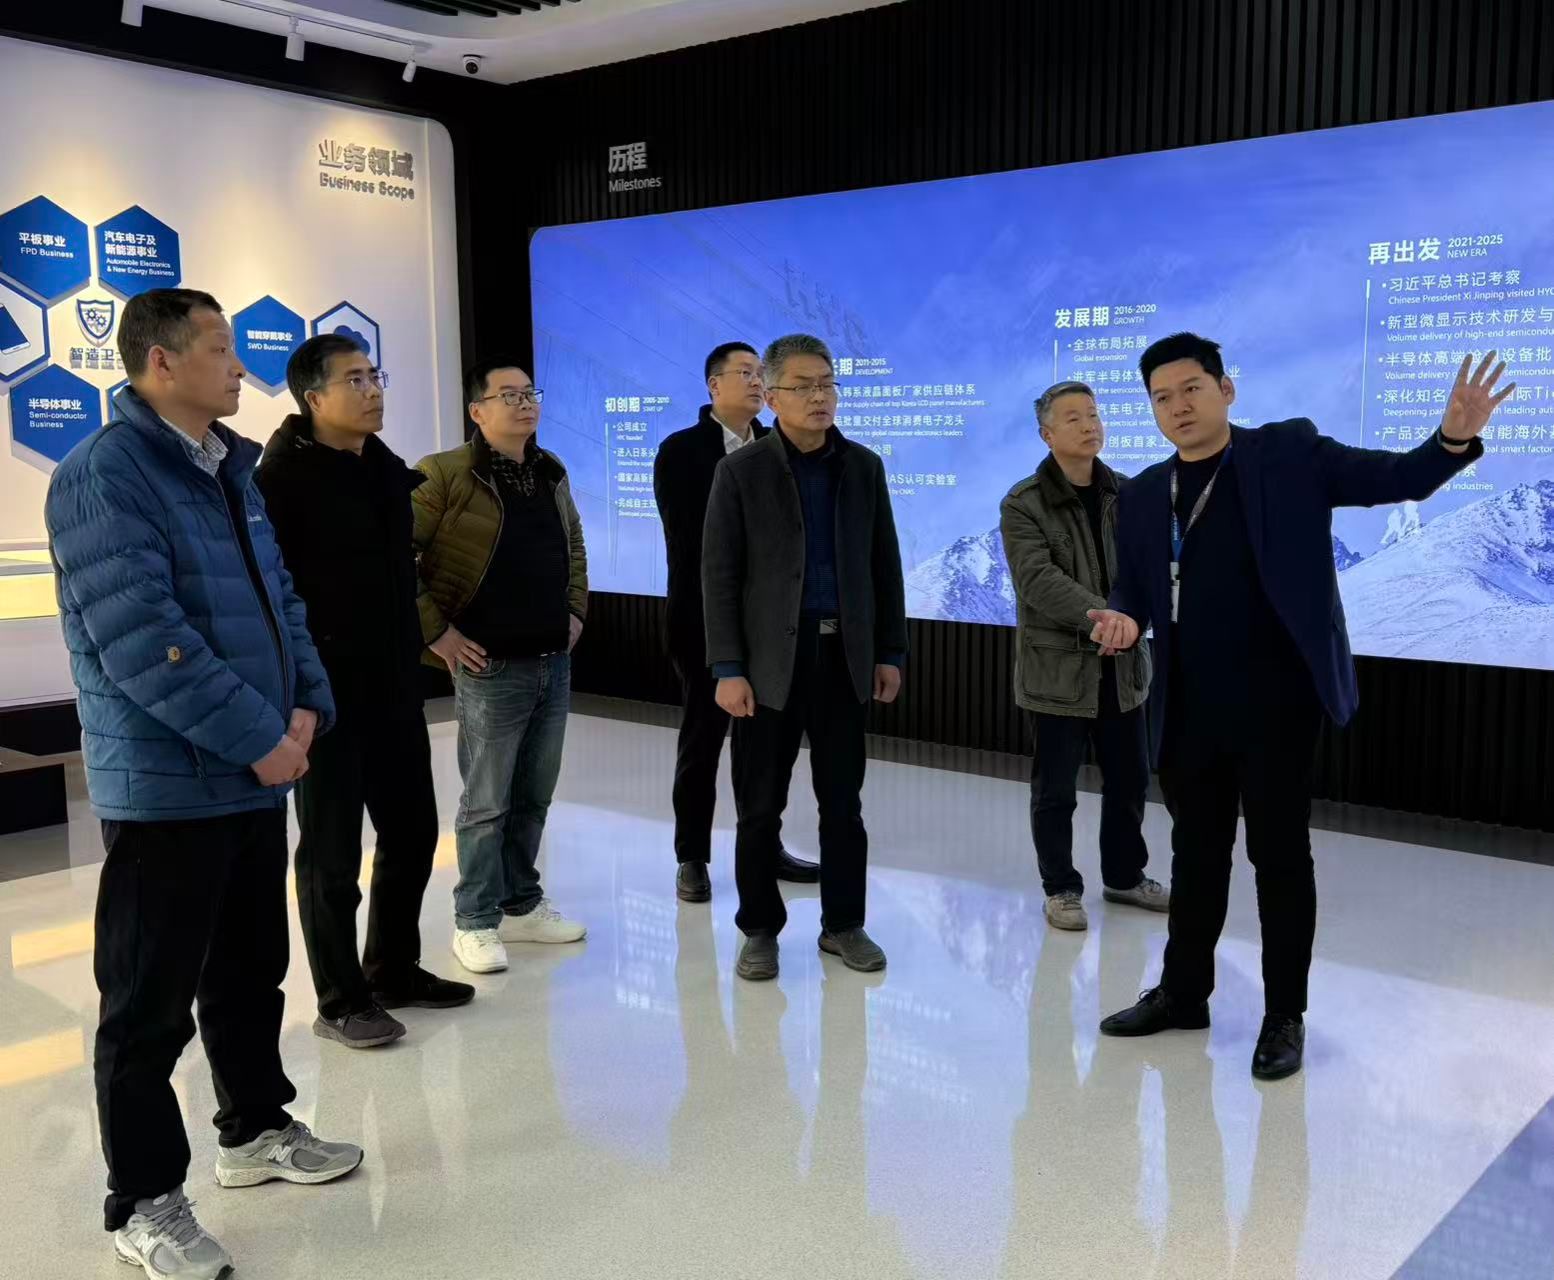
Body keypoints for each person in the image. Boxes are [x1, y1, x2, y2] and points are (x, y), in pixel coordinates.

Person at [45, 288, 363, 1280]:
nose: (240, 368)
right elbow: (145, 640)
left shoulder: (227, 466)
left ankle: (255, 1128)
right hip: (170, 785)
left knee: (248, 973)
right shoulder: (104, 474)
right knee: (147, 1007)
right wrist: (260, 738)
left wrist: (306, 707)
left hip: (252, 775)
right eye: (222, 350)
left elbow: (280, 599)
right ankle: (143, 1202)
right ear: (161, 363)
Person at [1089, 332, 1509, 1080]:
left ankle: (1285, 1014)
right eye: (1161, 397)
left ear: (1226, 390)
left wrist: (1450, 440)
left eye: (1192, 388)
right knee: (1195, 857)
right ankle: (1184, 993)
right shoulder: (1146, 494)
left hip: (1277, 706)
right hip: (1189, 708)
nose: (1178, 406)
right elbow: (1135, 586)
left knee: (1279, 858)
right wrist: (1123, 614)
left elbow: (1398, 477)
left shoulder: (1288, 455)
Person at [257, 334, 473, 1050]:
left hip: (393, 685)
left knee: (413, 832)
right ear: (314, 398)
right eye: (355, 379)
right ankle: (340, 998)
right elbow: (276, 597)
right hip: (323, 694)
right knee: (331, 856)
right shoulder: (279, 482)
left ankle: (393, 969)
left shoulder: (382, 468)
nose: (373, 389)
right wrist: (296, 692)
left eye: (374, 375)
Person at [702, 333, 908, 981]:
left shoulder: (863, 467)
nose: (820, 397)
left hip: (843, 659)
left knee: (843, 804)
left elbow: (884, 566)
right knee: (760, 806)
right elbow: (719, 576)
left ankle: (843, 924)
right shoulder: (742, 471)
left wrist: (889, 651)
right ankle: (759, 929)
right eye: (804, 386)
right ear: (772, 395)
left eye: (828, 384)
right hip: (768, 666)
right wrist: (728, 668)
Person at [414, 358, 589, 976]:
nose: (524, 403)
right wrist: (437, 632)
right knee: (487, 801)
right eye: (508, 395)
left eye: (529, 393)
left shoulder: (550, 469)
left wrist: (575, 611)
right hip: (489, 665)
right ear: (477, 411)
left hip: (552, 660)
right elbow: (398, 555)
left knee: (534, 795)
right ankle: (475, 920)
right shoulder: (444, 473)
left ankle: (520, 903)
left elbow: (573, 545)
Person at [653, 341, 819, 903]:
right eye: (744, 372)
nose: (755, 382)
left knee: (764, 749)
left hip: (772, 626)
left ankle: (763, 845)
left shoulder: (780, 446)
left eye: (760, 374)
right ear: (713, 385)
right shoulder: (682, 451)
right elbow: (692, 544)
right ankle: (692, 858)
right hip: (704, 620)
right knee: (703, 741)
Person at [999, 381, 1166, 931]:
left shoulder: (1130, 494)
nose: (1090, 425)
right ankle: (1061, 888)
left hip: (1123, 668)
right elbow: (1037, 580)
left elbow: (1149, 570)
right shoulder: (1023, 503)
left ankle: (1124, 876)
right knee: (1056, 791)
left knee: (1130, 782)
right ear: (1047, 435)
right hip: (1059, 671)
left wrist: (1130, 620)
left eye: (1093, 414)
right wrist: (1108, 618)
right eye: (1073, 418)